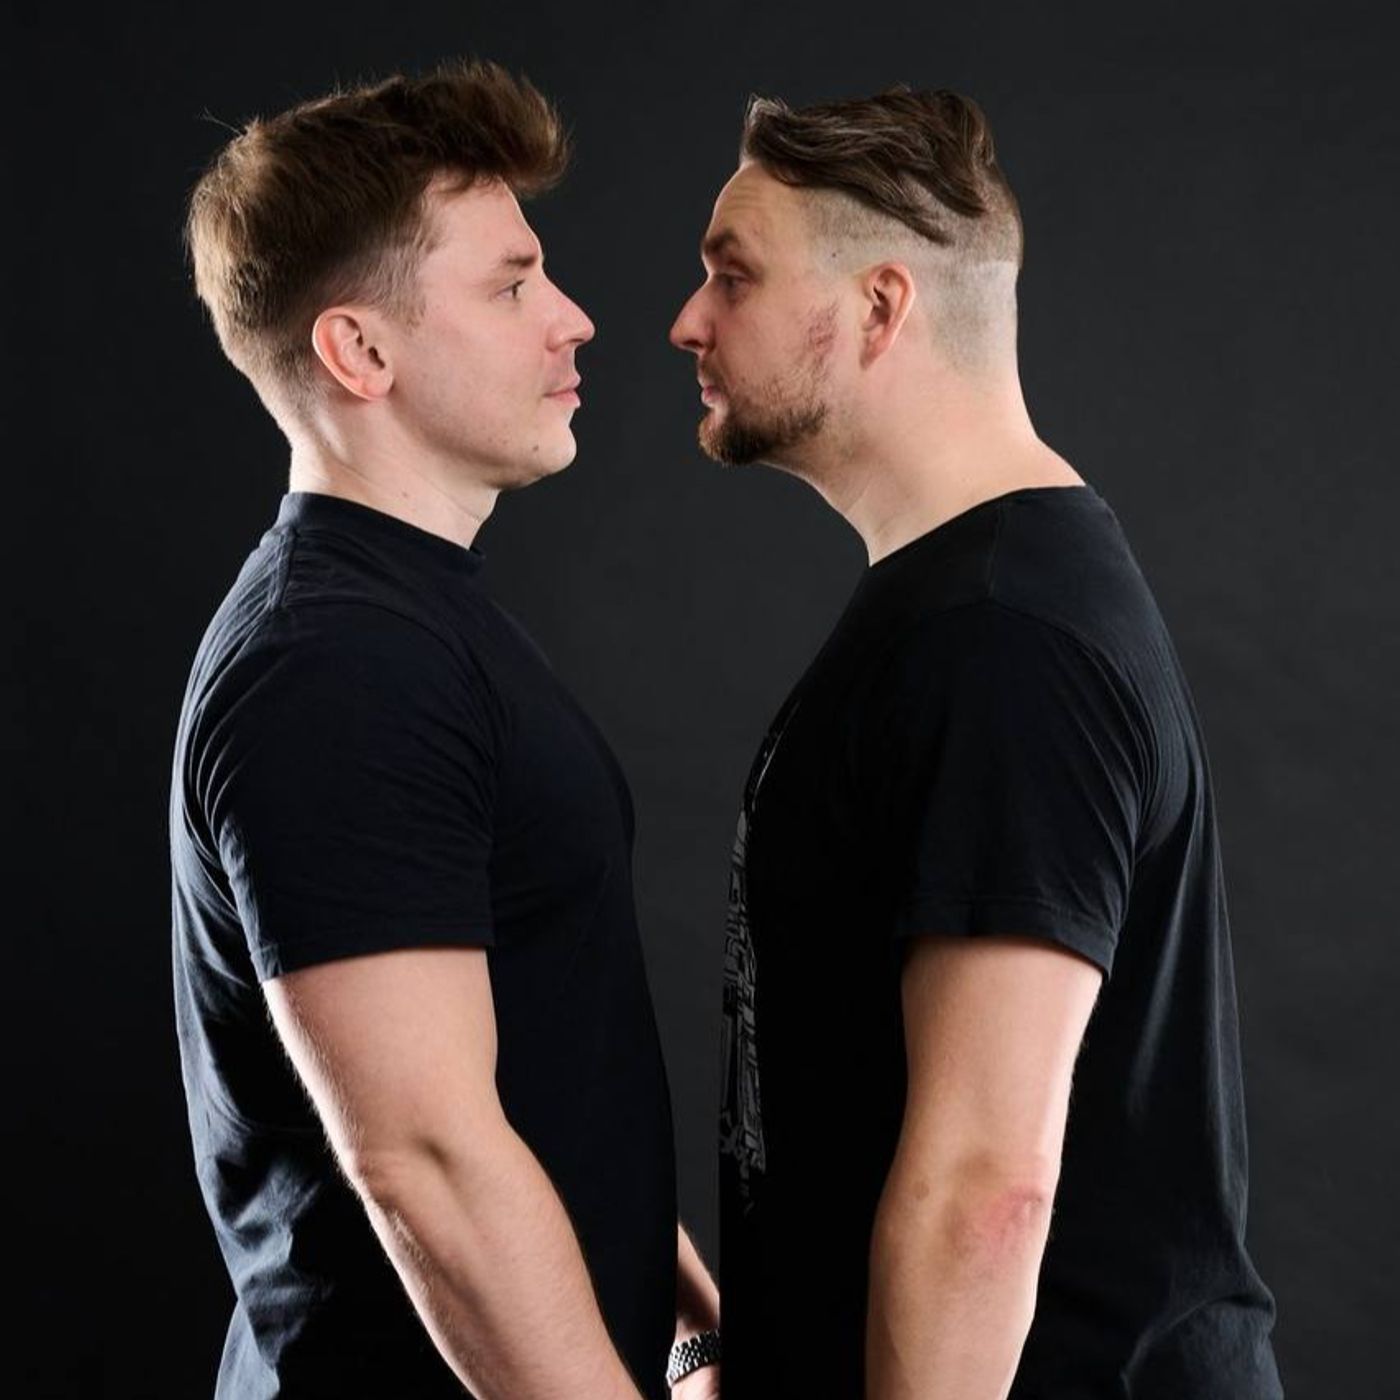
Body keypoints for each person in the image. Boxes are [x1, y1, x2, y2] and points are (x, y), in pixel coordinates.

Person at [669, 86, 1282, 1399]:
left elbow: (984, 1191)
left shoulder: (1004, 638)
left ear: (880, 307)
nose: (688, 321)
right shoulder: (959, 606)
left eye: (733, 275)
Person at [170, 58, 718, 1400]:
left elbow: (538, 1059)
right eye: (512, 285)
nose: (574, 319)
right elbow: (425, 1162)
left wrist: (688, 1326)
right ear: (360, 351)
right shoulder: (335, 666)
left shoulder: (414, 618)